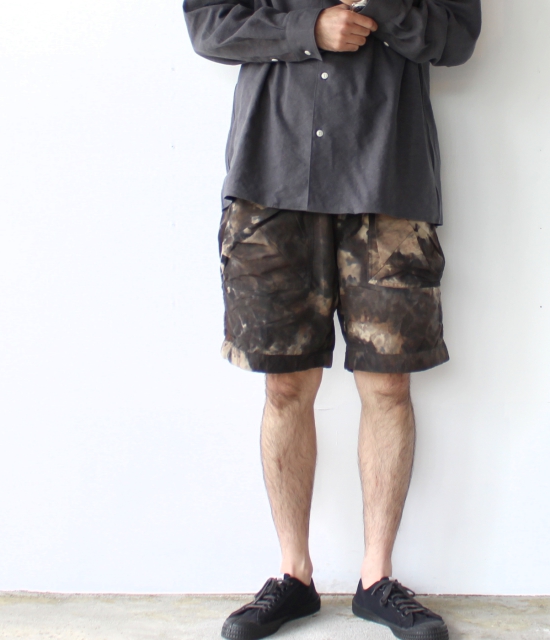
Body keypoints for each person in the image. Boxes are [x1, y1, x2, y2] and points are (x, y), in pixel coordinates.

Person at [183, 0, 481, 638]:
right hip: (272, 180)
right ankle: (293, 575)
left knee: (389, 386)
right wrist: (307, 28)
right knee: (284, 385)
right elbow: (207, 24)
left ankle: (377, 579)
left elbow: (457, 37)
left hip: (389, 184)